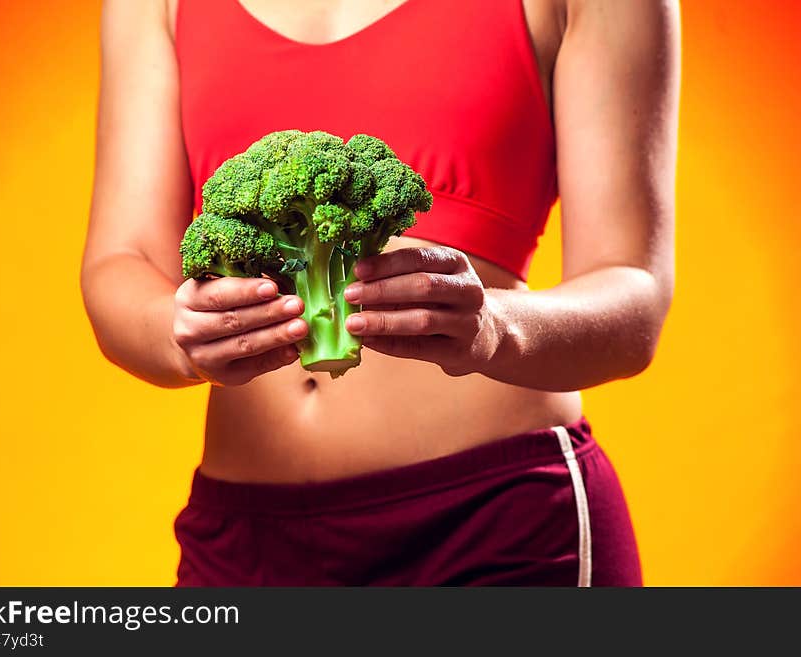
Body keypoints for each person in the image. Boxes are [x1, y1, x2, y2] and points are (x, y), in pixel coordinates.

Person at [82, 0, 679, 586]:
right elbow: (122, 260)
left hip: (499, 525)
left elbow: (633, 289)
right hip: (247, 538)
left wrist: (496, 325)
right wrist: (175, 332)